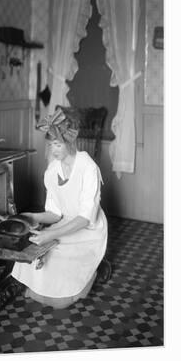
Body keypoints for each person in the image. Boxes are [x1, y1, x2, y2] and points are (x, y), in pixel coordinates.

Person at [11, 108, 108, 309]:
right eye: (50, 145)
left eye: (57, 144)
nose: (53, 150)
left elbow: (84, 219)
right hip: (65, 224)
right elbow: (55, 213)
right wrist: (31, 217)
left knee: (61, 301)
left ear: (70, 143)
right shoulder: (52, 170)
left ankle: (91, 274)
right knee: (37, 255)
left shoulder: (88, 168)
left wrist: (51, 234)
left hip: (88, 229)